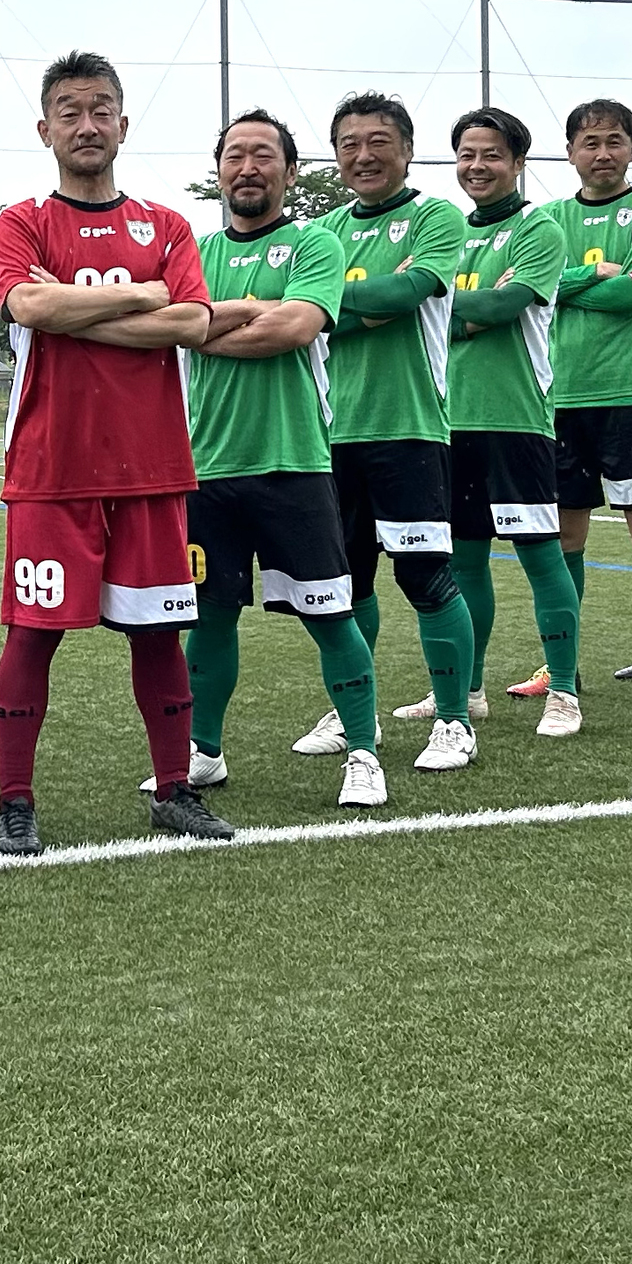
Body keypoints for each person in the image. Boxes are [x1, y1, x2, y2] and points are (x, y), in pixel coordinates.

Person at [0, 51, 226, 857]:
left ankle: (175, 790)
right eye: (70, 111)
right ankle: (15, 802)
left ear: (123, 124)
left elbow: (193, 322)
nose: (86, 125)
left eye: (100, 111)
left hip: (153, 468)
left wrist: (77, 308)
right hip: (52, 470)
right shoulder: (22, 221)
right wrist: (141, 294)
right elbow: (28, 303)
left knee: (159, 635)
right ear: (45, 129)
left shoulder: (167, 224)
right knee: (32, 634)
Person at [183, 109, 386, 810]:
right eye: (234, 155)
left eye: (263, 155)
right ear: (219, 171)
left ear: (290, 171)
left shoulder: (315, 244)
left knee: (330, 614)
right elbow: (164, 325)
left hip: (294, 464)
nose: (248, 168)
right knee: (209, 617)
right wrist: (244, 311)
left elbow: (294, 326)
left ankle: (363, 751)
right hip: (206, 469)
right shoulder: (194, 250)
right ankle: (203, 753)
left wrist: (207, 324)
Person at [307, 91, 481, 771]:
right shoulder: (323, 232)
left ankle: (455, 719)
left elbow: (405, 294)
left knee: (427, 576)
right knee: (345, 584)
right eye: (349, 144)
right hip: (328, 433)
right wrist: (361, 301)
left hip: (409, 428)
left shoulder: (436, 216)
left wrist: (327, 301)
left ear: (407, 150)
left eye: (379, 141)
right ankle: (358, 716)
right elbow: (343, 308)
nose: (364, 155)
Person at [532, 100, 632, 708]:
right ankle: (561, 664)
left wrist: (569, 284)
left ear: (631, 148)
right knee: (563, 535)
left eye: (614, 141)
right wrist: (597, 272)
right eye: (590, 142)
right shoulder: (548, 218)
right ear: (570, 152)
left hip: (630, 394)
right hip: (557, 397)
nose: (603, 153)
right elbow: (531, 288)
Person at [443, 107, 585, 737]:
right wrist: (461, 310)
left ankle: (565, 693)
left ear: (519, 162)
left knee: (541, 558)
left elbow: (502, 308)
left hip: (516, 420)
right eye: (467, 154)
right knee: (464, 562)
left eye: (492, 154)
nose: (478, 166)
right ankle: (468, 692)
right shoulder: (448, 231)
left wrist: (442, 304)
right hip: (448, 420)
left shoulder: (538, 228)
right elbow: (439, 315)